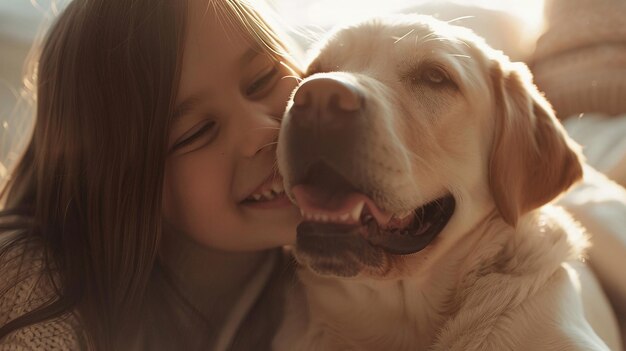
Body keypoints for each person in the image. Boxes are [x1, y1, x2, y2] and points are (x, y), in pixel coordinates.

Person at [0, 0, 303, 349]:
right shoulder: (31, 284)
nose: (262, 133)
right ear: (118, 182)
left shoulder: (343, 272)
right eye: (197, 132)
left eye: (264, 79)